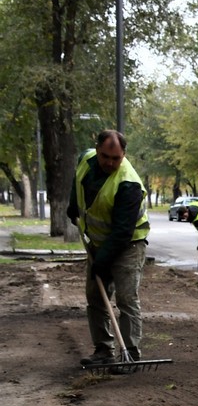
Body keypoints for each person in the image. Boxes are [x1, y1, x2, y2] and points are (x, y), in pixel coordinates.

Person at [68, 129, 150, 370]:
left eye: (116, 158)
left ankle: (130, 355)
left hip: (129, 244)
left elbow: (122, 232)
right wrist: (73, 204)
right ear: (97, 150)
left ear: (124, 155)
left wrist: (102, 262)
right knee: (95, 297)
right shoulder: (85, 158)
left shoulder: (129, 184)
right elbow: (78, 181)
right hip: (98, 241)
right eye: (105, 157)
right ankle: (103, 350)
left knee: (126, 298)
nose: (110, 163)